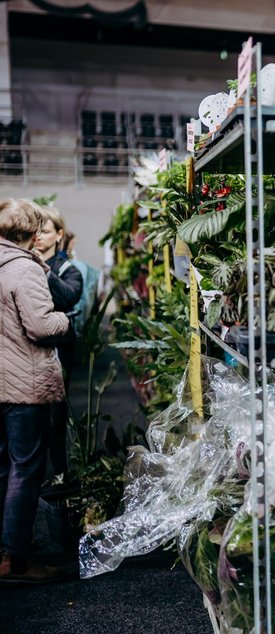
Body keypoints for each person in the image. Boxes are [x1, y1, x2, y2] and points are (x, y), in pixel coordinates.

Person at [0, 198, 72, 584]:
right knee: (25, 470)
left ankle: (4, 553)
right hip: (22, 388)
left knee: (3, 468)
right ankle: (19, 560)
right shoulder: (24, 270)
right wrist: (65, 320)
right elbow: (41, 327)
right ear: (30, 233)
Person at [34, 207, 83, 480]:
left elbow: (68, 297)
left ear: (59, 235)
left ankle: (59, 471)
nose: (39, 236)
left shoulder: (67, 269)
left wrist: (43, 270)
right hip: (30, 345)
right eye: (36, 231)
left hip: (59, 347)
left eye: (46, 231)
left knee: (56, 411)